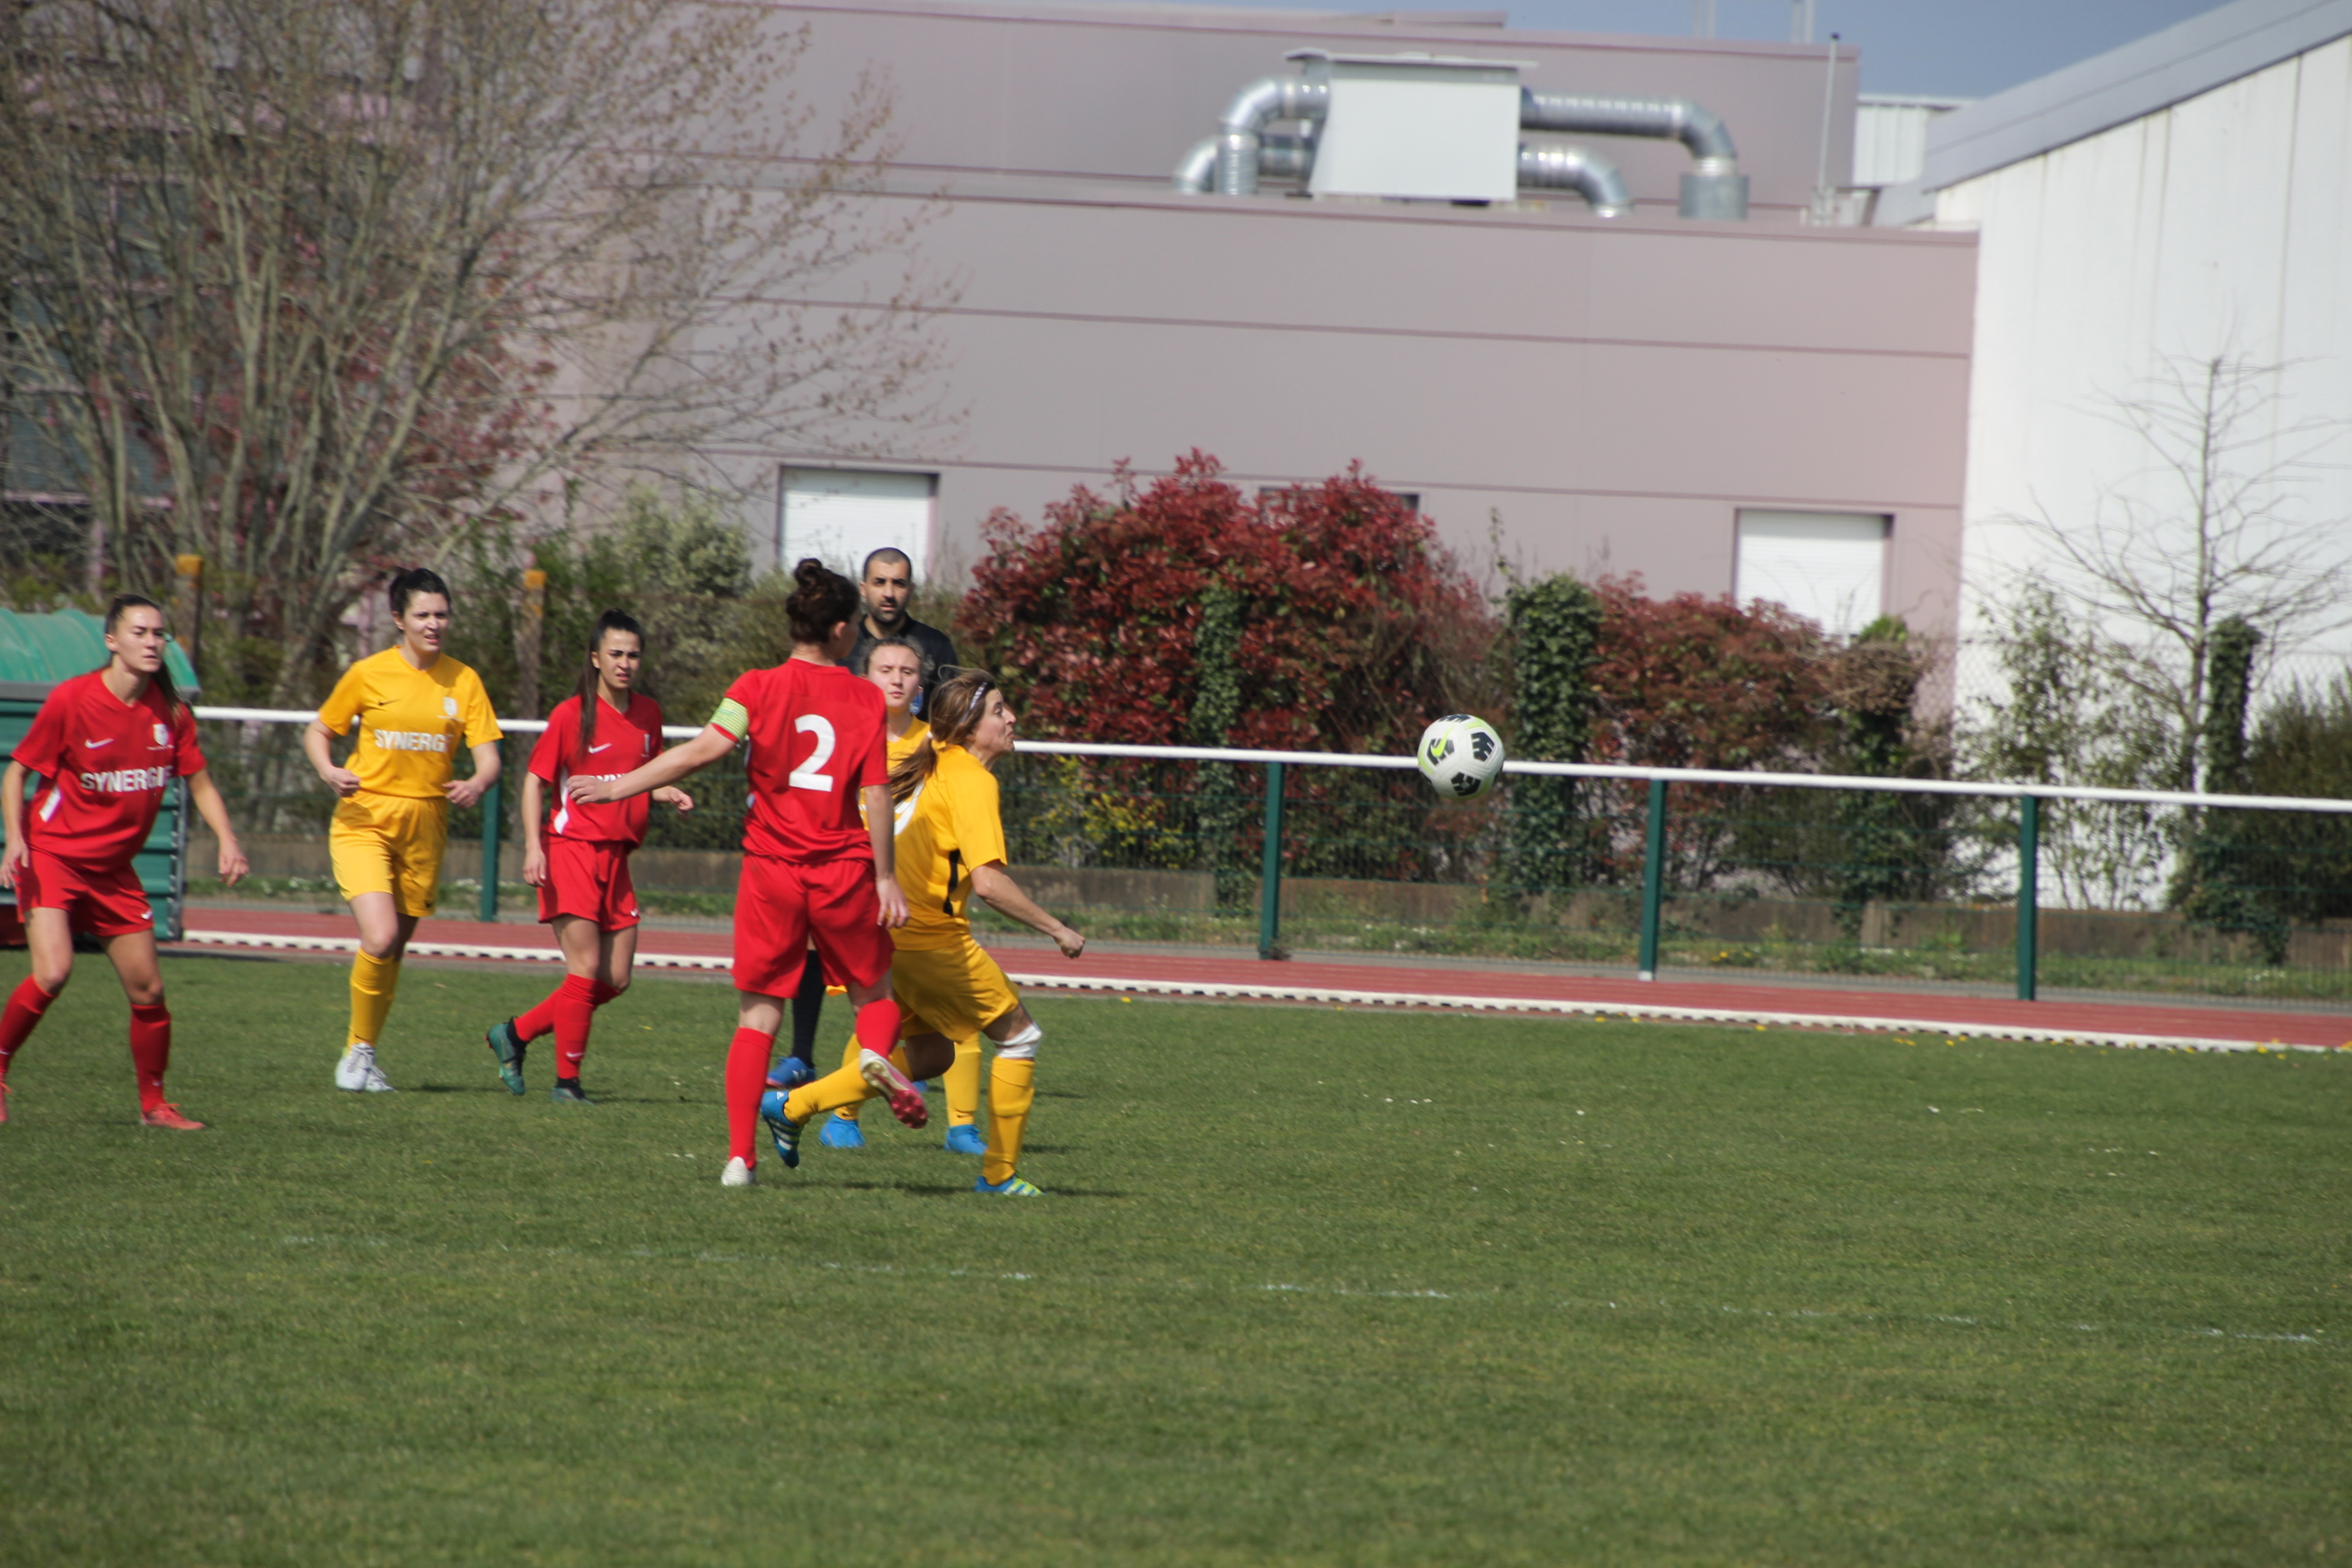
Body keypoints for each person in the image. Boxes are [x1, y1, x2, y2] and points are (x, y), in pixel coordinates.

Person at [569, 559, 911, 1188]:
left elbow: (701, 751)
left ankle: (738, 1159)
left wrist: (617, 786)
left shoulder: (754, 687)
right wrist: (886, 877)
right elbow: (877, 794)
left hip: (772, 872)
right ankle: (871, 1059)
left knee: (758, 1018)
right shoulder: (866, 697)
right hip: (842, 870)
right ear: (841, 630)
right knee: (876, 996)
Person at [762, 671, 1084, 1196]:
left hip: (887, 936)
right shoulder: (973, 779)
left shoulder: (928, 762)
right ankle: (999, 1176)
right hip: (932, 941)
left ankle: (792, 1105)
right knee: (1021, 1037)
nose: (1011, 718)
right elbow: (989, 885)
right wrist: (1058, 929)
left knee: (934, 1055)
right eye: (999, 710)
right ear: (969, 726)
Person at [0, 594, 250, 1129]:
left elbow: (200, 782)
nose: (152, 642)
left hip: (113, 870)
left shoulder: (171, 712)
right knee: (54, 971)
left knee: (149, 990)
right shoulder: (73, 700)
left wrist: (227, 839)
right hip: (54, 856)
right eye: (140, 632)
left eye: (159, 633)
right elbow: (17, 772)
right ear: (112, 641)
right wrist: (15, 839)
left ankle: (154, 1106)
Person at [305, 568, 502, 1093]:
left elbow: (489, 759)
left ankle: (361, 1052)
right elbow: (319, 730)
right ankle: (356, 1059)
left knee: (393, 949)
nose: (434, 624)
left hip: (426, 825)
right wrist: (328, 770)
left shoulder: (464, 680)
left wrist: (477, 783)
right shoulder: (368, 673)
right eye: (423, 615)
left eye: (442, 614)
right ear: (398, 619)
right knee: (381, 935)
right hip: (365, 819)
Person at [484, 611, 692, 1103]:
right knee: (585, 966)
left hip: (617, 856)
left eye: (633, 655)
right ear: (595, 658)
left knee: (616, 978)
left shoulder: (648, 714)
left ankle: (515, 1034)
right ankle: (567, 1084)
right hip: (571, 850)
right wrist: (533, 847)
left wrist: (665, 791)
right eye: (615, 654)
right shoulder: (571, 715)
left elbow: (638, 776)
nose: (624, 663)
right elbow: (534, 782)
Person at [811, 637, 987, 1156]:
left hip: (928, 904)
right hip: (865, 903)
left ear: (920, 684)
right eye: (885, 669)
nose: (896, 678)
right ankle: (841, 1116)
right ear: (864, 678)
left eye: (907, 671)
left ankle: (960, 1127)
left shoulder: (937, 747)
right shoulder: (845, 743)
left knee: (945, 1019)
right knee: (881, 1011)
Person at [786, 548, 956, 1073]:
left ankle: (900, 1059)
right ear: (863, 588)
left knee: (900, 948)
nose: (889, 591)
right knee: (817, 944)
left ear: (911, 589)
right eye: (880, 582)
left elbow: (950, 724)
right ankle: (802, 1054)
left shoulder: (935, 646)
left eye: (899, 583)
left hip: (911, 825)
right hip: (842, 819)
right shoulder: (841, 642)